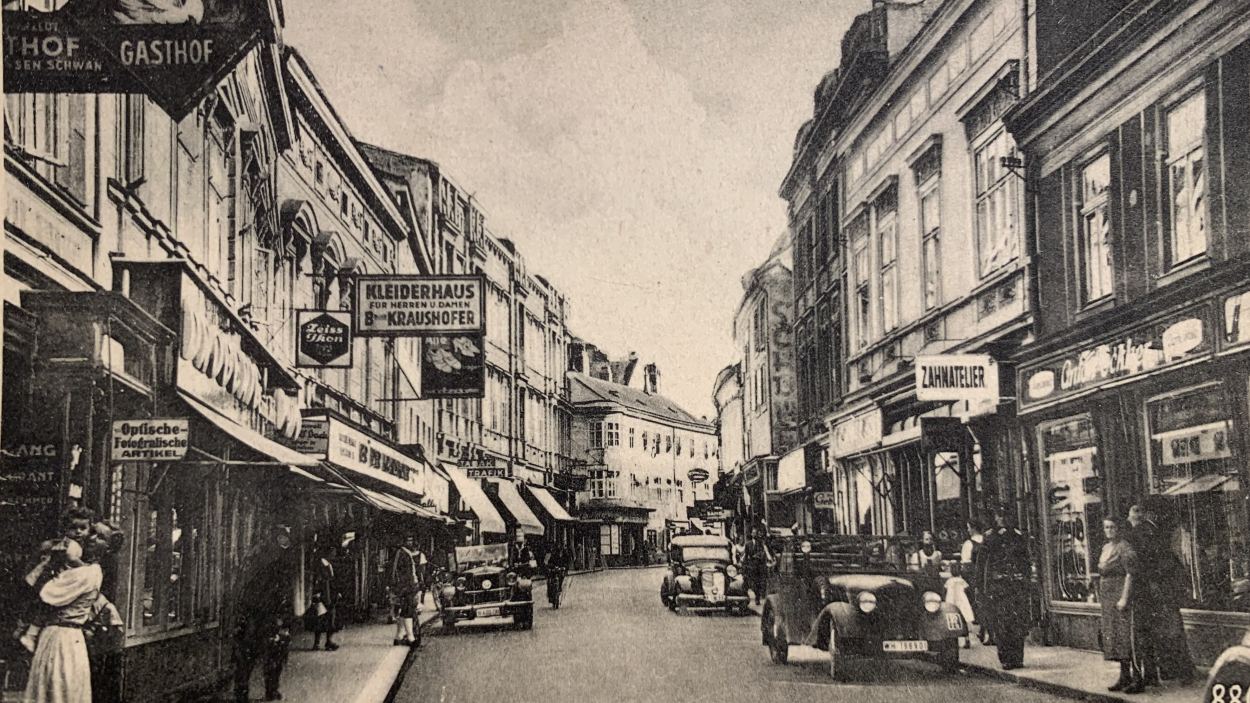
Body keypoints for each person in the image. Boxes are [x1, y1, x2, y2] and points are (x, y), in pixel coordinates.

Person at [23, 521, 122, 703]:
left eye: (101, 537)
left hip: (64, 638)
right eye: (92, 532)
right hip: (55, 635)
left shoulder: (91, 572)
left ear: (108, 548)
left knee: (60, 690)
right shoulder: (79, 567)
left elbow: (49, 593)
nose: (92, 538)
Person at [1126, 501, 1195, 691]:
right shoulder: (1157, 532)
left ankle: (1163, 673)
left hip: (1151, 590)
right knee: (1169, 630)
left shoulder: (1140, 532)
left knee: (1149, 632)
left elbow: (1143, 564)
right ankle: (1176, 671)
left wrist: (1153, 584)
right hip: (1164, 590)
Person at [232, 524, 298, 703]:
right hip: (269, 614)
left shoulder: (252, 557)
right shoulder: (280, 561)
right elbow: (283, 591)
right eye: (284, 538)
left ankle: (242, 692)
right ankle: (271, 690)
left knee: (247, 655)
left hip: (250, 611)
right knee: (274, 654)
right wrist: (285, 619)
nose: (286, 541)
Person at [19, 507, 95, 654]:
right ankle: (30, 635)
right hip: (50, 579)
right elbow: (72, 561)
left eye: (83, 528)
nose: (78, 532)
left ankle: (30, 633)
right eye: (73, 528)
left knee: (44, 608)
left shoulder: (73, 544)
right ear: (65, 529)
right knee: (46, 607)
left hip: (51, 578)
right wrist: (86, 567)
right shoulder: (71, 545)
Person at [978, 509, 1032, 670]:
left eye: (1005, 516)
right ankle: (1006, 658)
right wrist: (981, 586)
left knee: (1018, 622)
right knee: (1002, 623)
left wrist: (1026, 580)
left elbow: (1025, 561)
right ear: (995, 518)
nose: (1002, 519)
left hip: (1016, 585)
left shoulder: (1018, 536)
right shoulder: (990, 537)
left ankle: (1018, 657)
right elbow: (982, 564)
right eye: (999, 516)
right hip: (999, 587)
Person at [1098, 517, 1137, 692]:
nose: (1109, 530)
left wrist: (1124, 598)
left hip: (1119, 594)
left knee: (1125, 636)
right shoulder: (1106, 547)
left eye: (1112, 527)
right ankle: (1124, 676)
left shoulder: (1125, 547)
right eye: (1106, 527)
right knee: (1114, 636)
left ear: (1119, 529)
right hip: (1107, 598)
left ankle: (1136, 676)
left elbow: (1130, 574)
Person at [388, 534, 426, 648]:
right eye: (408, 540)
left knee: (404, 611)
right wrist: (406, 587)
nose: (410, 543)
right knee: (408, 611)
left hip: (407, 587)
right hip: (406, 587)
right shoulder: (402, 554)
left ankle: (399, 637)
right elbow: (399, 573)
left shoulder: (404, 553)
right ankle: (410, 638)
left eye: (411, 540)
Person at [306, 545, 341, 651]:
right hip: (322, 595)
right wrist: (316, 593)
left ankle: (328, 641)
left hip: (330, 595)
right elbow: (318, 580)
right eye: (333, 552)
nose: (334, 554)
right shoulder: (320, 565)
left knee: (330, 618)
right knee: (320, 619)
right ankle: (317, 643)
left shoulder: (329, 565)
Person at [742, 532, 772, 605]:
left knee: (759, 582)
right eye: (753, 533)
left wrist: (758, 556)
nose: (754, 535)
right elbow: (746, 555)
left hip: (760, 567)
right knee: (753, 583)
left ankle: (757, 598)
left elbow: (763, 553)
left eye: (755, 533)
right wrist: (744, 565)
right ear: (751, 534)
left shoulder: (761, 544)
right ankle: (755, 594)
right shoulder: (748, 544)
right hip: (751, 566)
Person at [544, 542, 572, 607]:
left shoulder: (565, 554)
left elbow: (566, 562)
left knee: (562, 580)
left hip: (560, 570)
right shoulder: (554, 554)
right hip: (554, 571)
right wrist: (552, 567)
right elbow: (549, 562)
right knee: (550, 582)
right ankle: (551, 595)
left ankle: (559, 590)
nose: (561, 548)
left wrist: (565, 567)